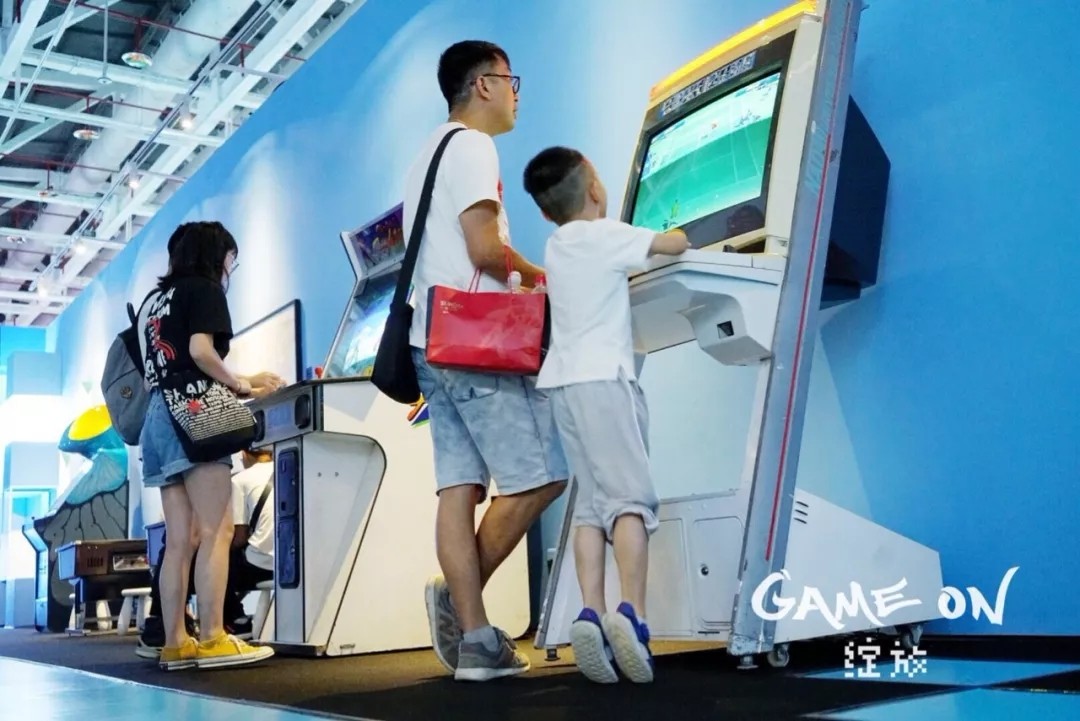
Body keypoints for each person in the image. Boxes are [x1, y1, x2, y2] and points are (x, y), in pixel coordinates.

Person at [402, 40, 568, 682]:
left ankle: (475, 639)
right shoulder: (473, 146)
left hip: (430, 339)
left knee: (459, 487)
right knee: (542, 475)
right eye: (511, 79)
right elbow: (484, 251)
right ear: (483, 85)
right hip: (477, 342)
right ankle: (457, 600)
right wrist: (543, 276)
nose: (517, 93)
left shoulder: (426, 153)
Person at [521, 146, 689, 684]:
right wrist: (678, 231)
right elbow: (673, 244)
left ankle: (590, 612)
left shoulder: (556, 245)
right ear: (595, 189)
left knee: (591, 506)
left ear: (545, 211)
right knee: (630, 500)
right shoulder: (607, 235)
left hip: (564, 386)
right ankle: (632, 615)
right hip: (605, 382)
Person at [139, 220, 285, 671]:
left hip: (157, 417)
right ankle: (214, 636)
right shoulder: (204, 290)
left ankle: (176, 642)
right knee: (218, 530)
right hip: (195, 414)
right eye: (230, 259)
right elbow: (201, 353)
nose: (229, 268)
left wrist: (246, 379)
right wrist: (241, 384)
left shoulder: (154, 302)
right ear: (215, 255)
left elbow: (168, 365)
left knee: (179, 539)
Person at [224, 449, 275, 633]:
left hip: (261, 564)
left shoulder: (239, 480)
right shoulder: (292, 466)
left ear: (244, 454)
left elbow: (239, 538)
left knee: (218, 560)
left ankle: (235, 620)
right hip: (291, 563)